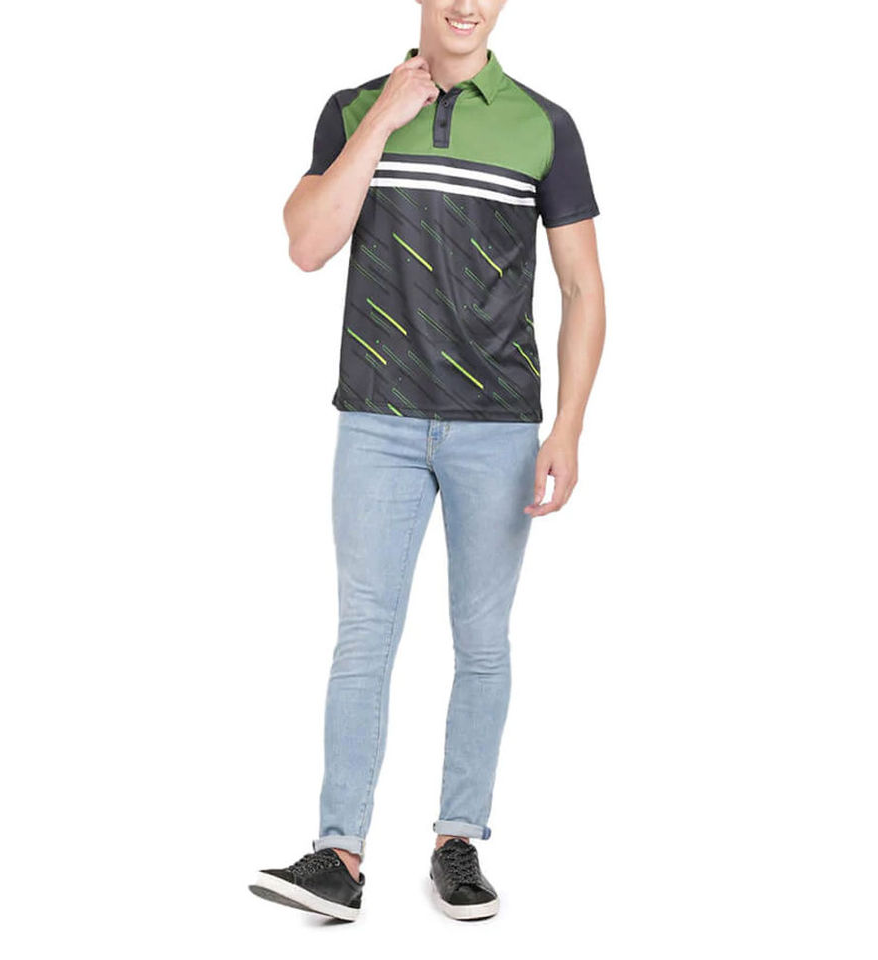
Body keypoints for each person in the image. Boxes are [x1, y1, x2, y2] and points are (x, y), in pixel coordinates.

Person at [249, 0, 604, 922]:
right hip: (379, 419)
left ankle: (457, 840)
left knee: (482, 643)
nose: (465, 4)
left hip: (498, 426)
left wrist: (567, 427)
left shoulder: (545, 126)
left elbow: (581, 286)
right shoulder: (352, 106)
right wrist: (384, 116)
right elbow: (307, 245)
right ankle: (338, 856)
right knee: (364, 636)